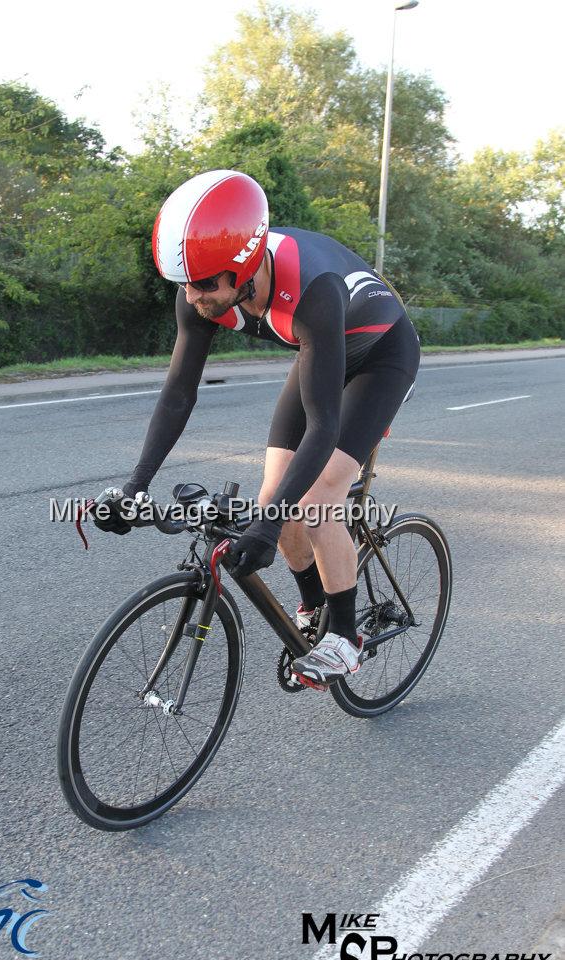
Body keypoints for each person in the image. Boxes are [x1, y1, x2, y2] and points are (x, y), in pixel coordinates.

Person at [94, 169, 420, 688]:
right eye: (182, 283)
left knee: (313, 501)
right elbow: (179, 394)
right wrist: (133, 487)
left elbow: (323, 424)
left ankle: (345, 636)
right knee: (275, 498)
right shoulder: (201, 292)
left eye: (202, 284)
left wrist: (266, 526)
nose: (192, 295)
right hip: (320, 356)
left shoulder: (311, 289)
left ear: (242, 266)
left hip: (381, 357)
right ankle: (313, 609)